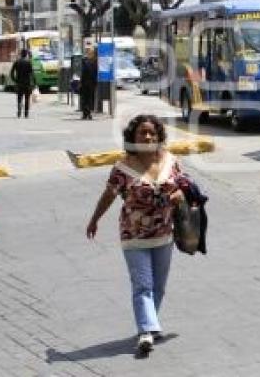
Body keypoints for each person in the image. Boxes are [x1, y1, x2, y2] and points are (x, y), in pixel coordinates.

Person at [86, 114, 190, 354]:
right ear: (132, 137)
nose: (147, 136)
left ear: (158, 136)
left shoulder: (171, 161)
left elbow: (185, 187)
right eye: (142, 132)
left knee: (159, 286)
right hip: (133, 235)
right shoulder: (122, 168)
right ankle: (146, 331)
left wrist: (178, 196)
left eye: (151, 132)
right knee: (143, 285)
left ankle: (150, 325)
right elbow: (109, 195)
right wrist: (94, 219)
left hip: (164, 233)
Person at [9, 49, 36, 118]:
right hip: (27, 83)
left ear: (21, 54)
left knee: (19, 98)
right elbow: (32, 74)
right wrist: (34, 83)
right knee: (27, 98)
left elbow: (11, 73)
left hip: (19, 83)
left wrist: (15, 80)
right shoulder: (29, 62)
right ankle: (26, 113)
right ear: (26, 54)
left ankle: (19, 112)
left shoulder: (17, 62)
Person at [80, 48, 98, 120]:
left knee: (85, 99)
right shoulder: (95, 62)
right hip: (92, 84)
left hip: (85, 83)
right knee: (90, 98)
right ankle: (89, 113)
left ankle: (85, 114)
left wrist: (81, 82)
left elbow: (83, 74)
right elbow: (95, 74)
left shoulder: (85, 62)